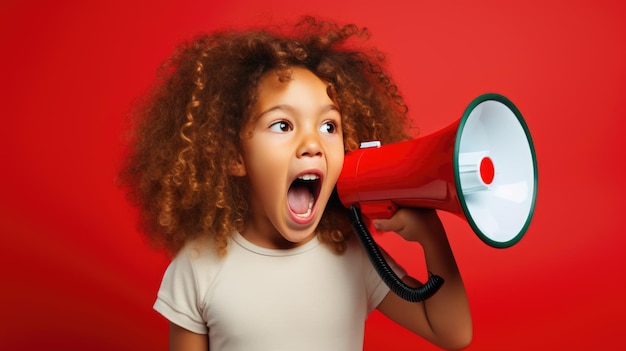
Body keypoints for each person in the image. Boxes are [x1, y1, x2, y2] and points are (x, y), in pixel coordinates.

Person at [119, 16, 472, 351]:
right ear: (233, 157)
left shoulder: (354, 256)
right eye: (283, 126)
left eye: (329, 126)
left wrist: (431, 236)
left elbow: (453, 332)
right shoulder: (197, 267)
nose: (312, 144)